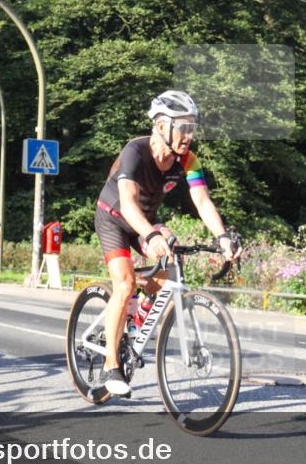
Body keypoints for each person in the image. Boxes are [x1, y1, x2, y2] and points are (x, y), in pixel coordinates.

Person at [95, 90, 241, 397]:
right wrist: (151, 235)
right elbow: (128, 203)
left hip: (144, 220)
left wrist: (222, 237)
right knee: (124, 283)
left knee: (173, 257)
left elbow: (202, 201)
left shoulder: (188, 160)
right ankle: (111, 365)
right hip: (114, 217)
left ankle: (141, 309)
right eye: (183, 127)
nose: (190, 135)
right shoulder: (135, 152)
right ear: (162, 125)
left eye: (193, 127)